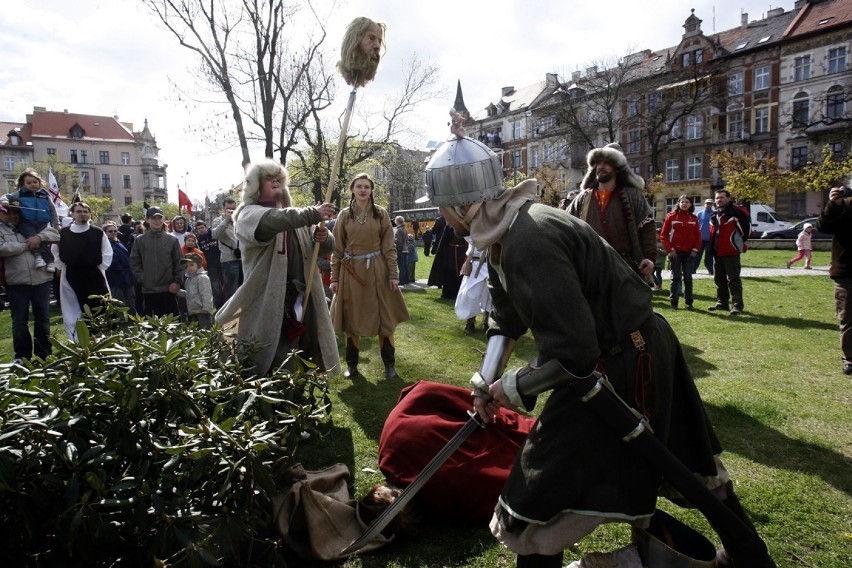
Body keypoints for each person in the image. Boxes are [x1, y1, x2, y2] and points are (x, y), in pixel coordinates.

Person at [422, 117, 775, 568]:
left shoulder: (529, 237)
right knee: (676, 463)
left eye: (442, 207)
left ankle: (749, 557)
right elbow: (506, 319)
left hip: (626, 356)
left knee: (539, 493)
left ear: (459, 203)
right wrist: (482, 379)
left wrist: (508, 389)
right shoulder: (501, 236)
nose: (441, 217)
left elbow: (573, 352)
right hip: (623, 352)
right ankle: (751, 556)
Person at [215, 159, 340, 376]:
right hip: (268, 299)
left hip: (303, 296)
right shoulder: (248, 215)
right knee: (272, 355)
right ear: (256, 186)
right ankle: (275, 397)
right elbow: (272, 220)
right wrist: (311, 213)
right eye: (268, 179)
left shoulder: (295, 217)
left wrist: (323, 236)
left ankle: (301, 398)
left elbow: (325, 248)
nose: (275, 182)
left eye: (278, 179)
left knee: (305, 352)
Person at [329, 173, 409, 380]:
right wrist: (334, 278)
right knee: (351, 319)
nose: (363, 190)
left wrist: (393, 274)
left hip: (378, 271)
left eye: (366, 186)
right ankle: (353, 366)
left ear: (371, 190)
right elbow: (337, 250)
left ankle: (389, 366)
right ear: (352, 190)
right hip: (351, 273)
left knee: (385, 319)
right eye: (359, 186)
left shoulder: (380, 213)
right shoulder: (344, 215)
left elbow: (389, 247)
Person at [567, 143, 656, 281]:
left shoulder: (633, 195)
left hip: (624, 268)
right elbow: (566, 225)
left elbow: (647, 227)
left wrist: (649, 258)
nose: (601, 166)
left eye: (607, 163)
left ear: (618, 169)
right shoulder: (582, 198)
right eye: (598, 163)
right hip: (590, 269)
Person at [0, 202, 59, 362]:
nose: (12, 216)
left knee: (43, 319)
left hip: (42, 279)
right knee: (20, 321)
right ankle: (22, 355)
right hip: (17, 282)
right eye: (7, 213)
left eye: (15, 213)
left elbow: (55, 234)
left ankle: (44, 353)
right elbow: (2, 248)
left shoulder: (33, 224)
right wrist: (26, 245)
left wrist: (39, 237)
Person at [52, 202, 112, 341]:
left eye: (85, 211)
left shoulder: (98, 232)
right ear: (72, 213)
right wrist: (63, 267)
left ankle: (100, 338)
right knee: (73, 309)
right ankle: (78, 339)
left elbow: (107, 252)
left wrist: (99, 268)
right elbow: (55, 252)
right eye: (79, 211)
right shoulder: (64, 233)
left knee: (99, 306)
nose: (82, 214)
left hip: (94, 275)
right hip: (72, 275)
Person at [816, 186, 852, 375]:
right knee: (848, 317)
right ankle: (850, 358)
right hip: (846, 271)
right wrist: (831, 203)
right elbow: (823, 226)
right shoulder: (844, 205)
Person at [130, 206, 183, 317]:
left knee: (173, 328)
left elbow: (179, 263)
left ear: (163, 219)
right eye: (154, 218)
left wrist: (177, 282)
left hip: (169, 290)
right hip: (148, 291)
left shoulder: (172, 240)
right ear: (147, 220)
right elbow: (134, 263)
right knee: (151, 329)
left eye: (159, 218)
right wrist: (143, 279)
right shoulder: (140, 240)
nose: (157, 221)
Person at [4, 169, 59, 273]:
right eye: (28, 183)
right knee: (31, 238)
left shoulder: (45, 195)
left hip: (43, 222)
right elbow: (8, 200)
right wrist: (7, 203)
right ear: (23, 184)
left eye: (35, 182)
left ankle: (50, 261)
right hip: (26, 222)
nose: (32, 185)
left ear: (39, 182)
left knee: (44, 242)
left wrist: (56, 224)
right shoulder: (19, 195)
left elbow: (53, 211)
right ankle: (38, 256)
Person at [708, 190, 750, 315]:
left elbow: (746, 231)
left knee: (734, 279)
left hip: (730, 251)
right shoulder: (715, 214)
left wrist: (735, 243)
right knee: (719, 279)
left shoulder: (736, 212)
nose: (718, 200)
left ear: (728, 198)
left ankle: (737, 305)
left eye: (721, 197)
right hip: (717, 251)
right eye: (717, 198)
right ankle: (722, 303)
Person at [660, 195, 702, 310]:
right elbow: (663, 236)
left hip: (689, 253)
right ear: (678, 203)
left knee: (688, 278)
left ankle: (689, 303)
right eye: (682, 202)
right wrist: (670, 250)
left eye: (687, 202)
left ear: (690, 204)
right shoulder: (671, 217)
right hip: (676, 253)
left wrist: (695, 250)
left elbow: (698, 236)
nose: (684, 204)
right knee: (675, 278)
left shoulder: (693, 218)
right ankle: (674, 303)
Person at [455, 237, 491, 334]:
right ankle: (470, 322)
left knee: (490, 296)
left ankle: (487, 322)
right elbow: (470, 238)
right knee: (471, 295)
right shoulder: (473, 230)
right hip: (475, 265)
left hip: (490, 265)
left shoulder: (494, 227)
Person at [427, 213, 466, 300]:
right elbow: (445, 239)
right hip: (449, 253)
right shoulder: (448, 227)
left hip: (461, 252)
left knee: (460, 272)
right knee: (449, 273)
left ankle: (458, 292)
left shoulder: (462, 226)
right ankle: (448, 292)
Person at [103, 220, 136, 314]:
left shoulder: (118, 242)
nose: (113, 232)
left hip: (127, 274)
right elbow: (112, 261)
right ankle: (120, 319)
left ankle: (132, 316)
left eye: (115, 231)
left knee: (130, 297)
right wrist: (121, 270)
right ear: (105, 233)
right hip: (116, 276)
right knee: (118, 299)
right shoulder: (106, 244)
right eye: (110, 231)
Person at [213, 197, 242, 303]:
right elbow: (215, 235)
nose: (231, 211)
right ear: (223, 209)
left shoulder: (240, 219)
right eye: (228, 209)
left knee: (243, 288)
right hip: (229, 260)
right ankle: (230, 316)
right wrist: (226, 220)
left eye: (233, 208)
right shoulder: (218, 221)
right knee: (231, 291)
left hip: (243, 259)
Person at [177, 252, 214, 330]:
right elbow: (190, 294)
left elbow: (206, 293)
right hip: (193, 312)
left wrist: (206, 308)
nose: (189, 268)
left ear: (199, 264)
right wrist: (179, 292)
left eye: (191, 265)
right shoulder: (188, 280)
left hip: (203, 312)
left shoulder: (202, 277)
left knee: (205, 333)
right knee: (196, 334)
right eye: (187, 266)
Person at [194, 220, 223, 308]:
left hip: (222, 262)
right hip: (210, 266)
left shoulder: (214, 234)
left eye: (202, 227)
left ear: (206, 227)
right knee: (215, 287)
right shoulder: (198, 241)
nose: (201, 230)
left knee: (226, 284)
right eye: (198, 229)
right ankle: (219, 306)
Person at [694, 198, 714, 275]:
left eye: (710, 204)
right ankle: (693, 269)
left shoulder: (714, 214)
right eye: (707, 203)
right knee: (697, 254)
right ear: (704, 204)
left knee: (709, 255)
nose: (708, 205)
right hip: (700, 238)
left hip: (710, 238)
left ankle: (710, 269)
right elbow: (696, 226)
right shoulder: (699, 213)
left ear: (712, 205)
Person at [393, 215, 410, 285]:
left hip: (400, 249)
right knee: (405, 266)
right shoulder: (404, 229)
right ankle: (406, 280)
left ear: (397, 221)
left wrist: (393, 240)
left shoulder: (399, 230)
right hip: (405, 249)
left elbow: (398, 241)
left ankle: (402, 280)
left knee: (401, 266)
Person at [652, 227, 665, 292]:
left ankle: (659, 286)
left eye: (656, 234)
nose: (655, 235)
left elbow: (665, 252)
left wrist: (658, 250)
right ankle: (658, 285)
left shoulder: (663, 242)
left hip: (660, 262)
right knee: (651, 273)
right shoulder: (654, 242)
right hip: (654, 261)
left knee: (658, 274)